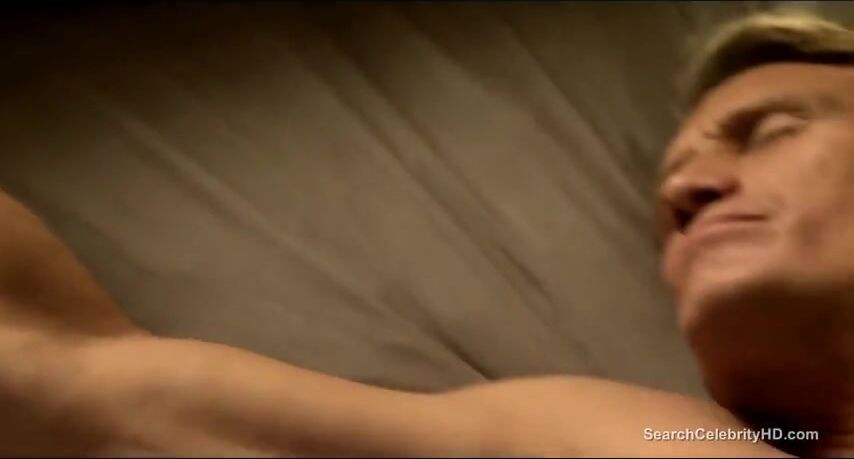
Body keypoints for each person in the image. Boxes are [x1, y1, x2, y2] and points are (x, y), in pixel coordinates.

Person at [1, 7, 851, 457]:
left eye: (772, 133)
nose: (686, 192)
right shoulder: (660, 442)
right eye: (669, 199)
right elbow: (64, 375)